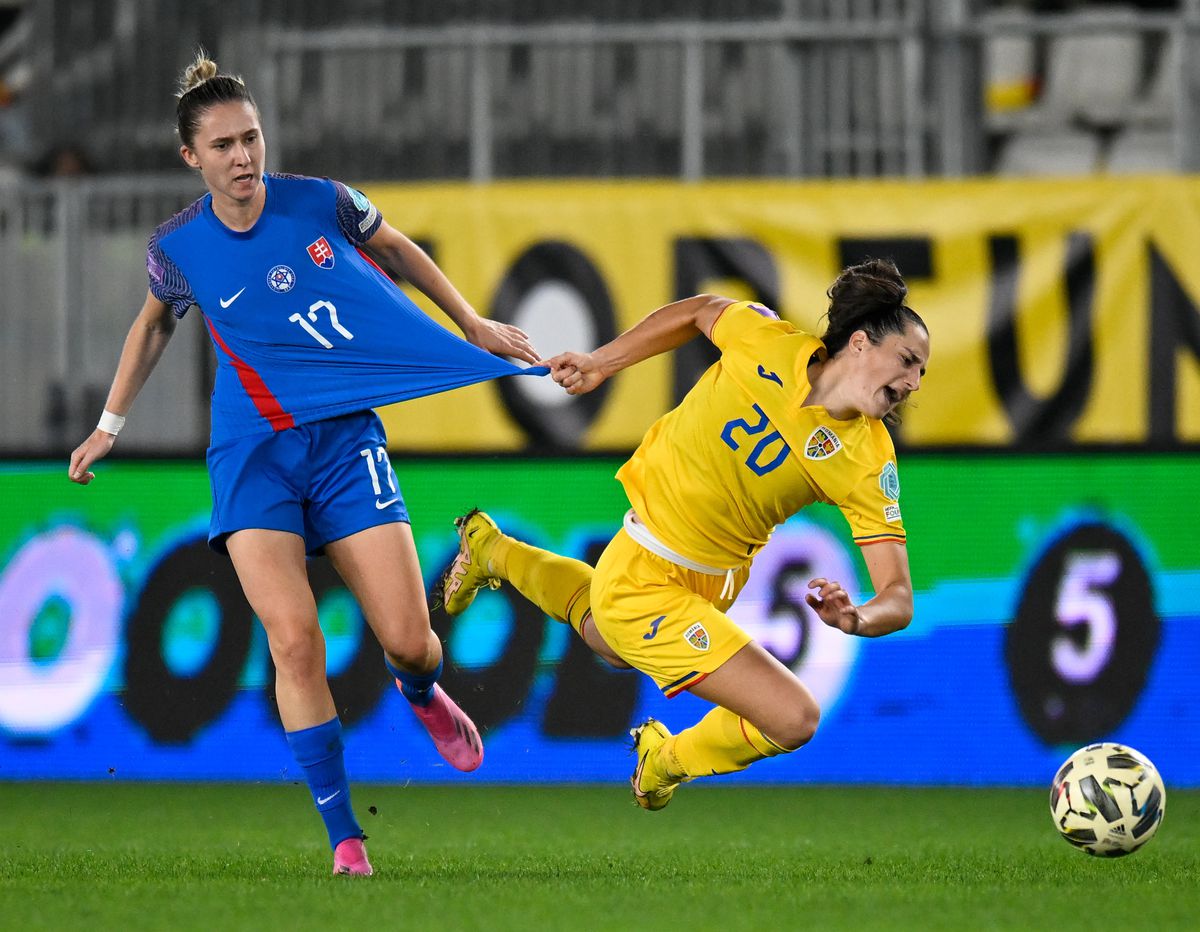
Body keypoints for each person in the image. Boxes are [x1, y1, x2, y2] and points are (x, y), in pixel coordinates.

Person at [67, 51, 544, 876]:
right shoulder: (179, 247)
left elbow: (397, 248)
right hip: (252, 457)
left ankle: (421, 688)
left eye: (250, 138)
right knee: (293, 643)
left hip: (344, 443)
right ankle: (344, 838)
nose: (243, 157)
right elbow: (153, 327)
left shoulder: (318, 202)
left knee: (411, 640)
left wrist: (471, 322)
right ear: (192, 158)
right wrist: (110, 422)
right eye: (222, 147)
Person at [437, 259, 929, 809]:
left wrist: (856, 617)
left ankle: (492, 550)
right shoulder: (769, 341)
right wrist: (601, 363)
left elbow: (900, 597)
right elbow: (698, 311)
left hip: (717, 579)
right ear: (859, 342)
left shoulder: (866, 459)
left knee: (608, 640)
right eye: (908, 361)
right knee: (793, 717)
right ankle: (666, 761)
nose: (911, 383)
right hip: (650, 558)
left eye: (921, 375)